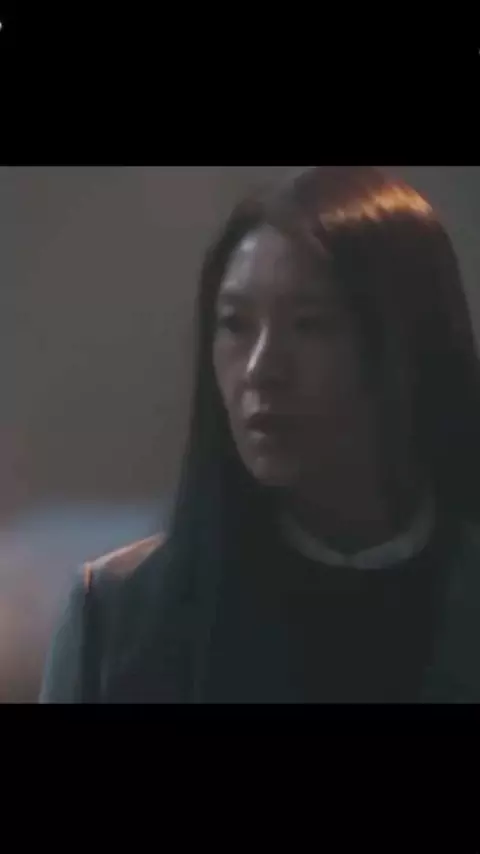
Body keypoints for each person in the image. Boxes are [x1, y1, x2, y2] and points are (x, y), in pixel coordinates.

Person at [40, 166, 480, 703]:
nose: (260, 368)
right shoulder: (119, 617)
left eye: (310, 325)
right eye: (235, 324)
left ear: (406, 346)